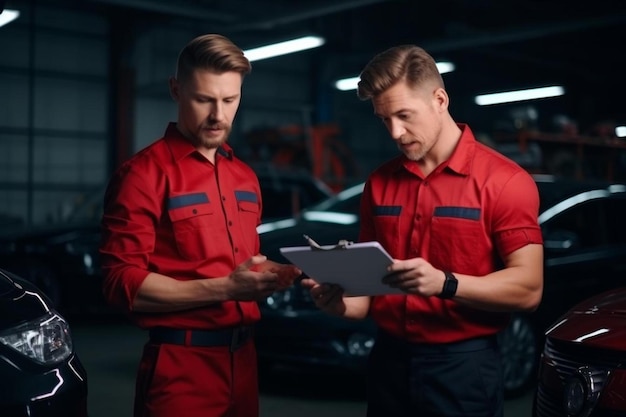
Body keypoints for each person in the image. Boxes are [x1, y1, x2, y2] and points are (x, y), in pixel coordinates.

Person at [302, 44, 544, 417]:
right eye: (385, 119)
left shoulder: (505, 181)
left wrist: (445, 283)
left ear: (440, 99)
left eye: (403, 115)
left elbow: (529, 288)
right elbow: (366, 298)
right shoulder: (379, 183)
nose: (396, 132)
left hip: (464, 369)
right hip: (387, 362)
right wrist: (338, 304)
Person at [99, 33, 301, 417]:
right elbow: (119, 283)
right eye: (204, 99)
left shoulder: (245, 178)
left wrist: (269, 275)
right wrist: (227, 288)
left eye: (230, 100)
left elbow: (239, 263)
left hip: (244, 362)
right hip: (181, 366)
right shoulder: (142, 176)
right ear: (176, 90)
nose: (218, 116)